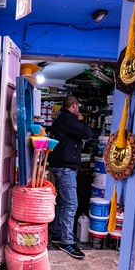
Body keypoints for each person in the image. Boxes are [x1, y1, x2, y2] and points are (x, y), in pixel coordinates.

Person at [47, 95, 93, 259]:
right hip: (65, 167)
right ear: (74, 105)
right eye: (78, 107)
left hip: (62, 165)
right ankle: (67, 241)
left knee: (63, 202)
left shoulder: (63, 119)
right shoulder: (68, 119)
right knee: (71, 203)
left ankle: (57, 233)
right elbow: (87, 133)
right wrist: (80, 120)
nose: (78, 109)